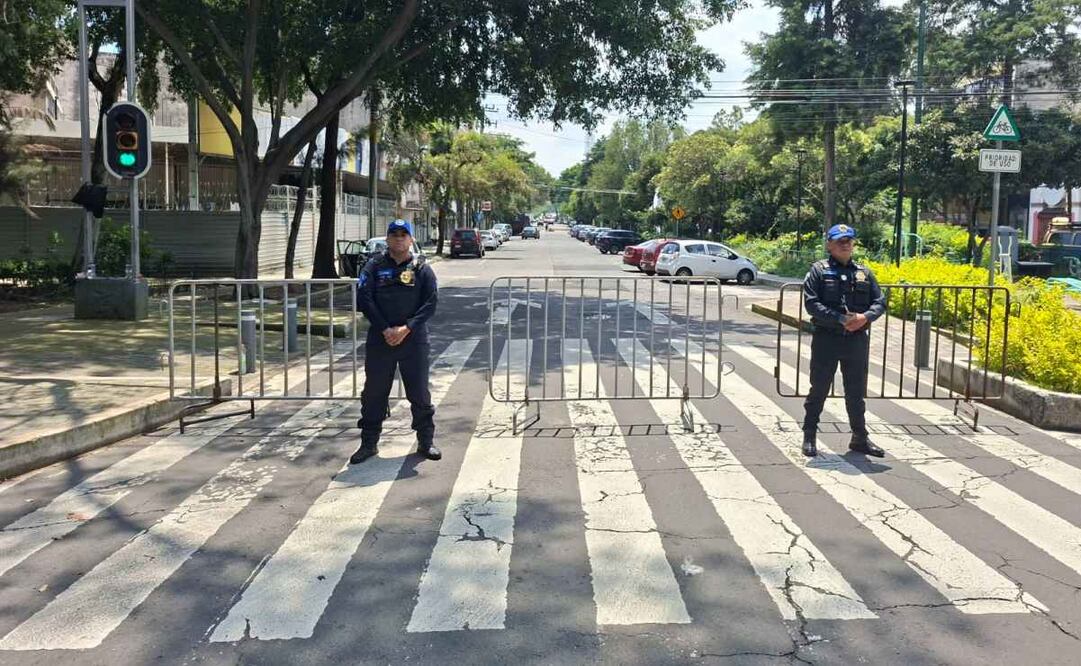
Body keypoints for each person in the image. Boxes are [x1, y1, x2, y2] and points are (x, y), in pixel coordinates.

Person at [351, 219, 440, 464]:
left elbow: (430, 303)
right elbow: (364, 299)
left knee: (419, 393)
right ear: (388, 238)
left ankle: (425, 441)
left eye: (404, 234)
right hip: (381, 339)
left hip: (414, 340)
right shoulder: (374, 266)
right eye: (394, 234)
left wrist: (406, 328)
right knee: (374, 393)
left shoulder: (421, 267)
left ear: (411, 239)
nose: (399, 238)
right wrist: (386, 329)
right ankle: (368, 443)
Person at [801, 224, 887, 458]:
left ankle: (860, 438)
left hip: (856, 340)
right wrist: (839, 318)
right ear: (829, 244)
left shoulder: (864, 272)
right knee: (819, 388)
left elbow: (880, 302)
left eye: (849, 240)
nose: (846, 244)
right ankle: (809, 435)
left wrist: (864, 317)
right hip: (827, 338)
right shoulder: (818, 271)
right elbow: (811, 303)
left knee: (856, 391)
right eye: (840, 241)